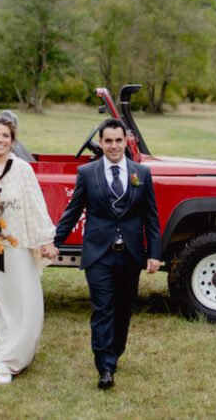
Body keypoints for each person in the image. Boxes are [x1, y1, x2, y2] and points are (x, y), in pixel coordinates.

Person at [53, 118, 162, 390]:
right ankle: (104, 365)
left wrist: (154, 254)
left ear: (126, 142)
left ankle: (115, 353)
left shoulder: (142, 174)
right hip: (98, 253)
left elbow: (151, 217)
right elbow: (73, 211)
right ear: (100, 143)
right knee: (102, 308)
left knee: (124, 308)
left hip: (130, 254)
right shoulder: (88, 173)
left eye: (118, 140)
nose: (114, 146)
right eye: (108, 141)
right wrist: (54, 242)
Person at [0, 115, 58, 384]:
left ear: (12, 141)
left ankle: (8, 359)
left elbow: (36, 206)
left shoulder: (23, 170)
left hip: (17, 248)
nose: (0, 140)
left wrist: (45, 240)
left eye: (6, 136)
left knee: (20, 301)